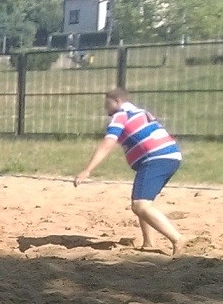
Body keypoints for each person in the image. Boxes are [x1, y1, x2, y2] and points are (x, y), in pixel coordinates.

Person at [74, 88, 188, 257]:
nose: (106, 108)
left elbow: (107, 144)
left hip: (155, 158)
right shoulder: (140, 112)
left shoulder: (121, 115)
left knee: (140, 205)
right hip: (169, 156)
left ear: (117, 101)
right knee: (144, 201)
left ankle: (177, 239)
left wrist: (87, 170)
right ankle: (149, 243)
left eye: (107, 104)